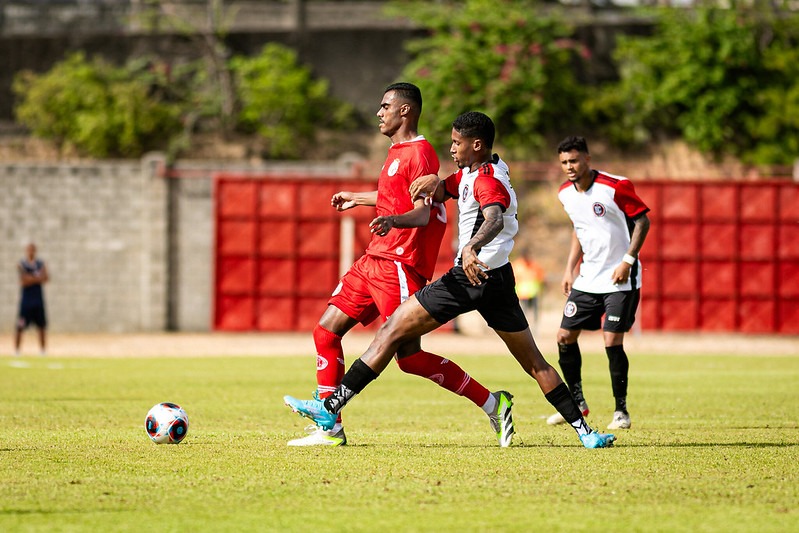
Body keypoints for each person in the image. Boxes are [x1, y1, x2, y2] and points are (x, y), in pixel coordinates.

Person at [285, 111, 616, 449]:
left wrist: (471, 246)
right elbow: (447, 190)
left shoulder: (487, 180)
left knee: (391, 331)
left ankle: (330, 408)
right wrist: (434, 184)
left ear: (477, 144)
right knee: (534, 362)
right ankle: (586, 433)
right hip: (498, 278)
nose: (452, 148)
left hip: (468, 278)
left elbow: (494, 218)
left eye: (457, 143)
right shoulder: (481, 170)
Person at [287, 84, 515, 447]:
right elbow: (395, 197)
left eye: (385, 106)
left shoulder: (421, 154)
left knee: (408, 358)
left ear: (405, 111)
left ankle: (492, 403)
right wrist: (358, 198)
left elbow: (423, 212)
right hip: (373, 258)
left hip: (399, 262)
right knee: (325, 332)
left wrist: (394, 222)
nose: (379, 112)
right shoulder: (396, 153)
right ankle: (329, 426)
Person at [546, 135, 650, 431]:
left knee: (611, 340)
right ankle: (578, 403)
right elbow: (579, 229)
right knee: (564, 337)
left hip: (620, 279)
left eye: (574, 160)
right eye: (564, 162)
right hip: (587, 279)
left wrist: (627, 261)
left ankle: (621, 411)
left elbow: (643, 222)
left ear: (587, 160)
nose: (569, 166)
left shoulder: (615, 186)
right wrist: (569, 269)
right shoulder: (565, 193)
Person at [15, 243, 49, 356]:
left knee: (42, 327)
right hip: (26, 302)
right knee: (20, 326)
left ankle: (43, 351)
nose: (31, 252)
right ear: (26, 251)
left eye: (33, 250)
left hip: (38, 301)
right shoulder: (22, 264)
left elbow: (46, 278)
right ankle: (17, 350)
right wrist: (37, 277)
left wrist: (31, 278)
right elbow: (23, 281)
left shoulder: (40, 263)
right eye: (29, 250)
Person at [511, 253, 545, 331]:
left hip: (533, 293)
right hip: (522, 294)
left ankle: (534, 328)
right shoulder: (517, 265)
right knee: (523, 312)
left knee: (534, 312)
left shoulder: (534, 265)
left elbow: (540, 277)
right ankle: (524, 328)